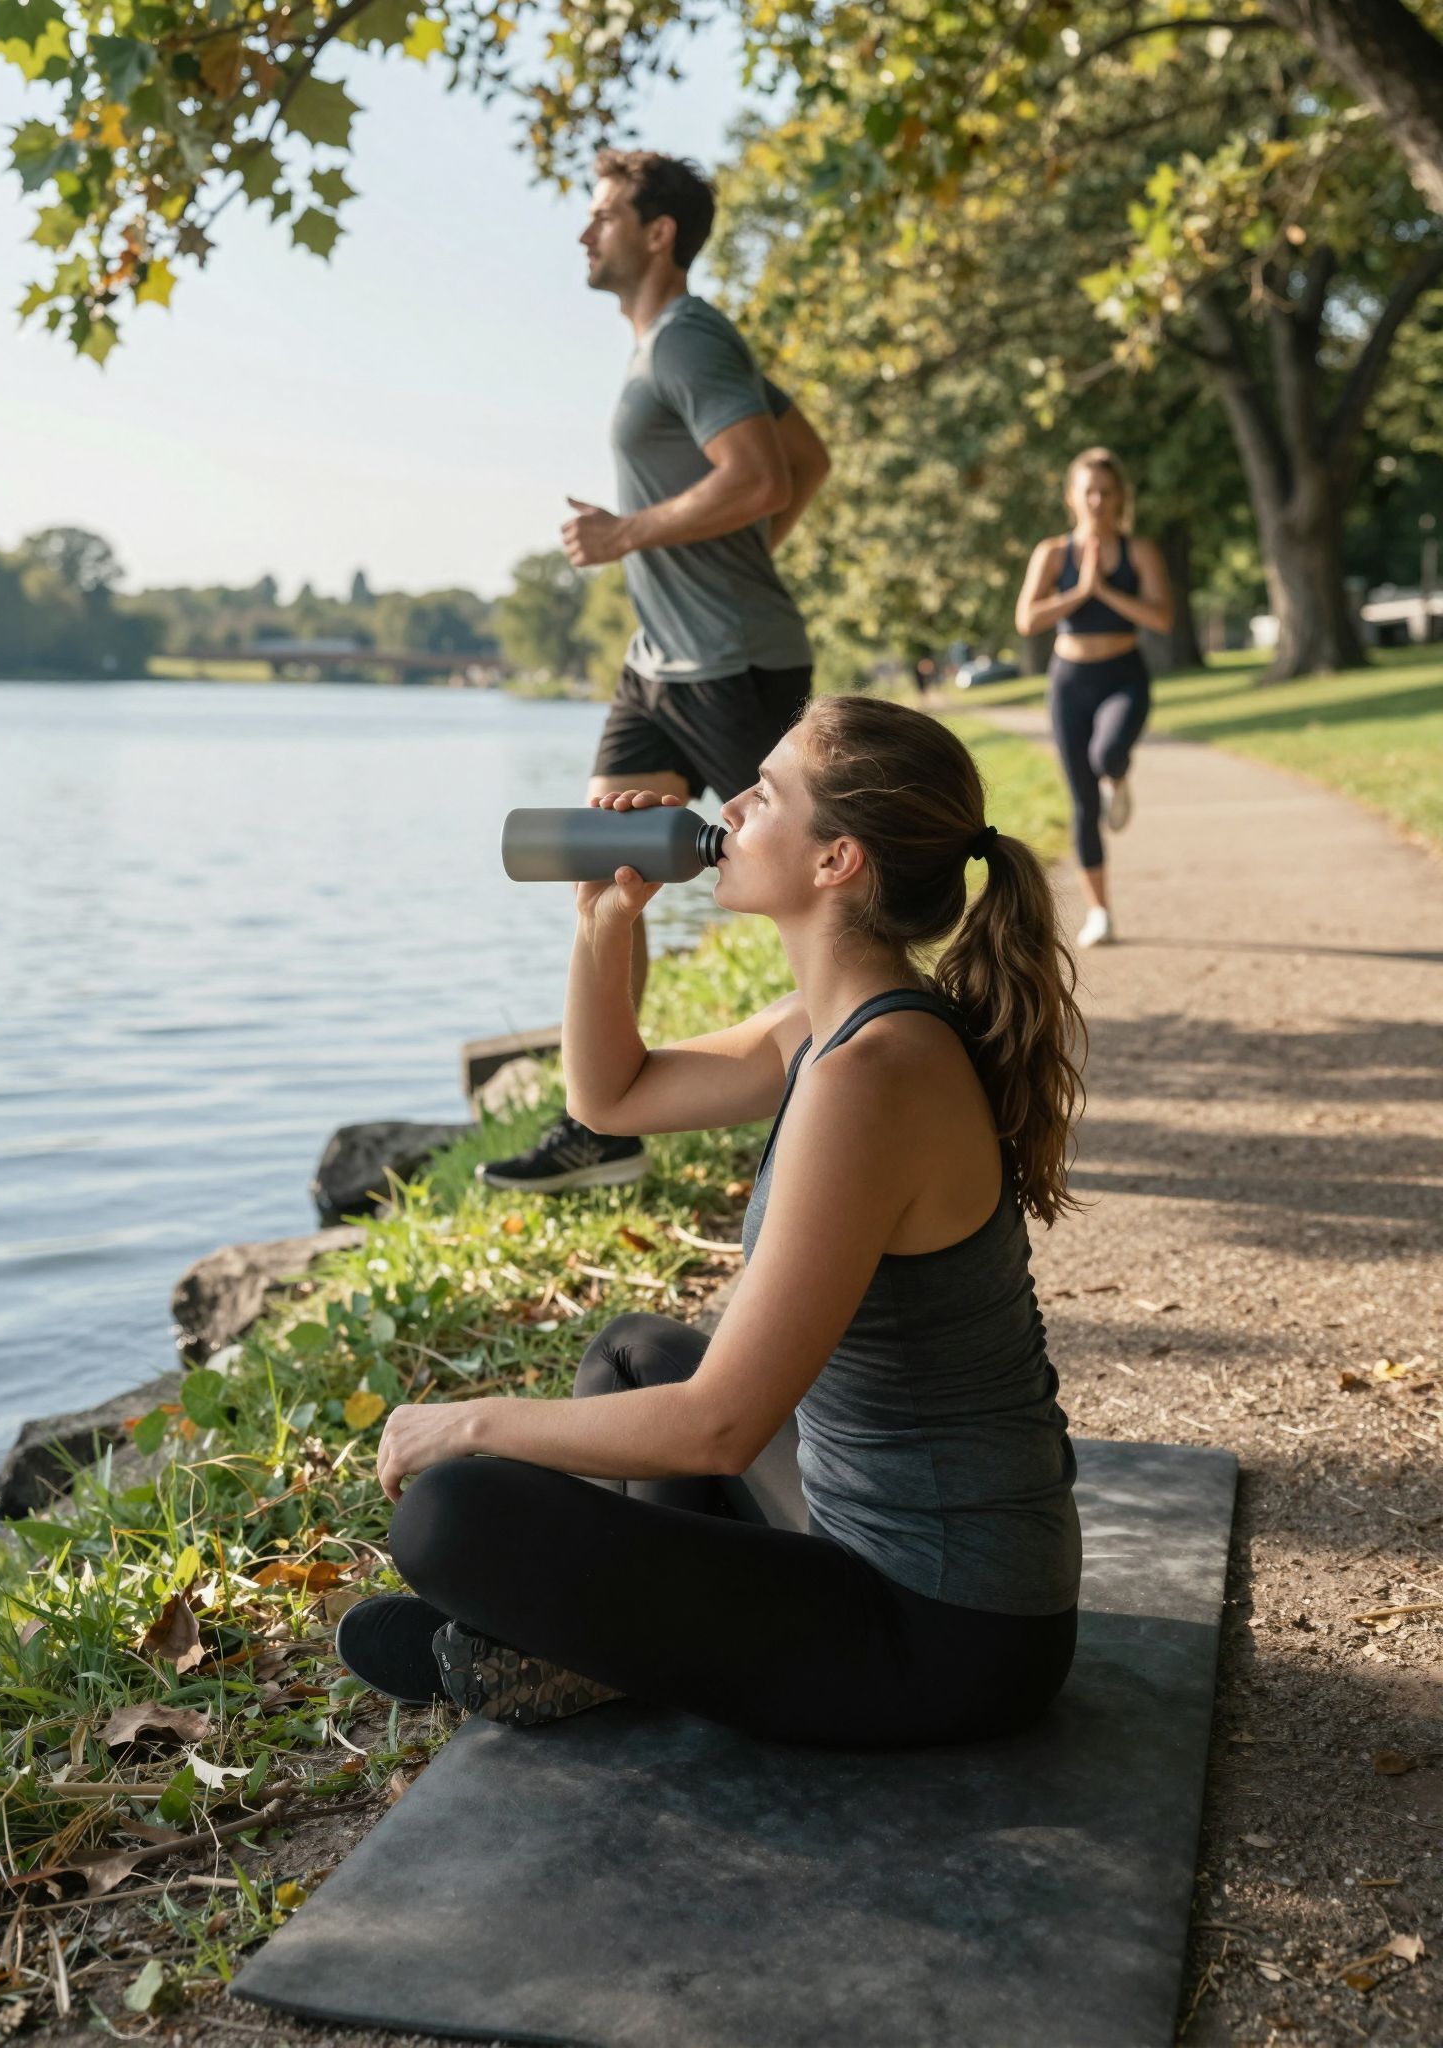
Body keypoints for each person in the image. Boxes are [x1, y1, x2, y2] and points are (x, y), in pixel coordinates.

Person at [334, 696, 1086, 1751]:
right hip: (858, 1524)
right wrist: (604, 921)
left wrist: (467, 1422)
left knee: (448, 1513)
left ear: (836, 861)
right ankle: (601, 1637)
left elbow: (722, 1426)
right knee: (633, 1352)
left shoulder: (873, 1077)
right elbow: (610, 1098)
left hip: (948, 1629)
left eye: (764, 793)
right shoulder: (831, 1026)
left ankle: (590, 1640)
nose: (727, 806)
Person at [477, 148, 832, 1195]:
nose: (585, 233)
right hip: (658, 665)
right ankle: (603, 1120)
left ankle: (876, 1063)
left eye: (602, 215)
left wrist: (629, 533)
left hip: (733, 660)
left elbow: (762, 476)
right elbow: (805, 460)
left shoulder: (690, 338)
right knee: (604, 856)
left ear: (658, 231)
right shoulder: (663, 349)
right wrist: (729, 556)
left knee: (817, 875)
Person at [1015, 448, 1173, 948]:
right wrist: (1080, 591)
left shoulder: (1138, 551)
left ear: (1121, 497)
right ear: (1072, 497)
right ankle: (1100, 912)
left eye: (1107, 491)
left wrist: (1104, 590)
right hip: (1069, 682)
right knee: (1083, 801)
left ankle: (1117, 776)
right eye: (1089, 492)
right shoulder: (1052, 553)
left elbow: (1161, 618)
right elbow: (1028, 620)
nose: (1098, 501)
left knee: (1107, 754)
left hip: (1124, 676)